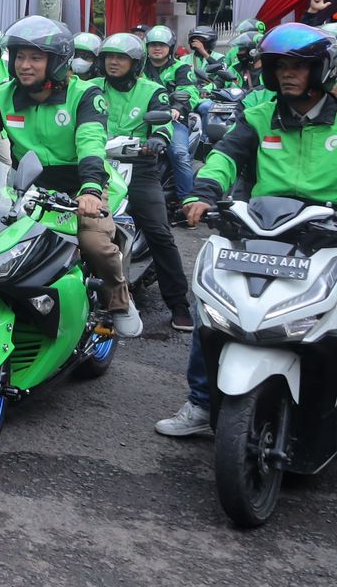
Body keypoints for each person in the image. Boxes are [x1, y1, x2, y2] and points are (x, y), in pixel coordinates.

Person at [158, 23, 337, 437]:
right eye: (280, 67)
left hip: (327, 229)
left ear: (323, 70)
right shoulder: (259, 115)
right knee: (217, 306)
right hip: (265, 224)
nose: (287, 74)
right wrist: (202, 191)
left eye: (299, 66)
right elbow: (226, 155)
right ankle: (202, 402)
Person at [0, 17, 142, 339]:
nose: (25, 65)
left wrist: (92, 191)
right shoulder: (1, 96)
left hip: (81, 183)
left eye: (35, 58)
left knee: (94, 244)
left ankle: (119, 298)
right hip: (25, 184)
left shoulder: (85, 94)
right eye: (20, 57)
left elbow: (91, 146)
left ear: (56, 61)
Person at [91, 33, 191, 331]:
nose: (113, 62)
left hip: (140, 166)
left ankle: (179, 304)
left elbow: (164, 125)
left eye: (121, 58)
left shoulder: (153, 90)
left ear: (136, 63)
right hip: (99, 164)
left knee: (159, 231)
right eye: (109, 56)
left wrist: (158, 141)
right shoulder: (90, 88)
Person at [142, 25, 197, 202]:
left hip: (173, 121)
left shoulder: (181, 68)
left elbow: (190, 95)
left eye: (162, 45)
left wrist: (176, 109)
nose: (157, 48)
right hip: (141, 119)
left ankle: (186, 201)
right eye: (153, 44)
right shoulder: (138, 67)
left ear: (170, 48)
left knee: (179, 154)